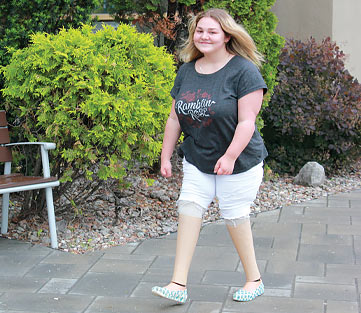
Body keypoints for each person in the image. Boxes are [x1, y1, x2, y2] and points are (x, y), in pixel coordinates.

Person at [151, 8, 268, 304]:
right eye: (199, 31)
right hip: (198, 159)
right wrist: (165, 157)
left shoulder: (244, 71)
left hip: (239, 163)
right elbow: (174, 118)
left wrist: (229, 157)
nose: (204, 36)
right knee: (188, 208)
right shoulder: (187, 70)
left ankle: (254, 279)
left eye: (212, 31)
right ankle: (178, 284)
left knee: (234, 215)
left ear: (227, 36)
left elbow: (247, 122)